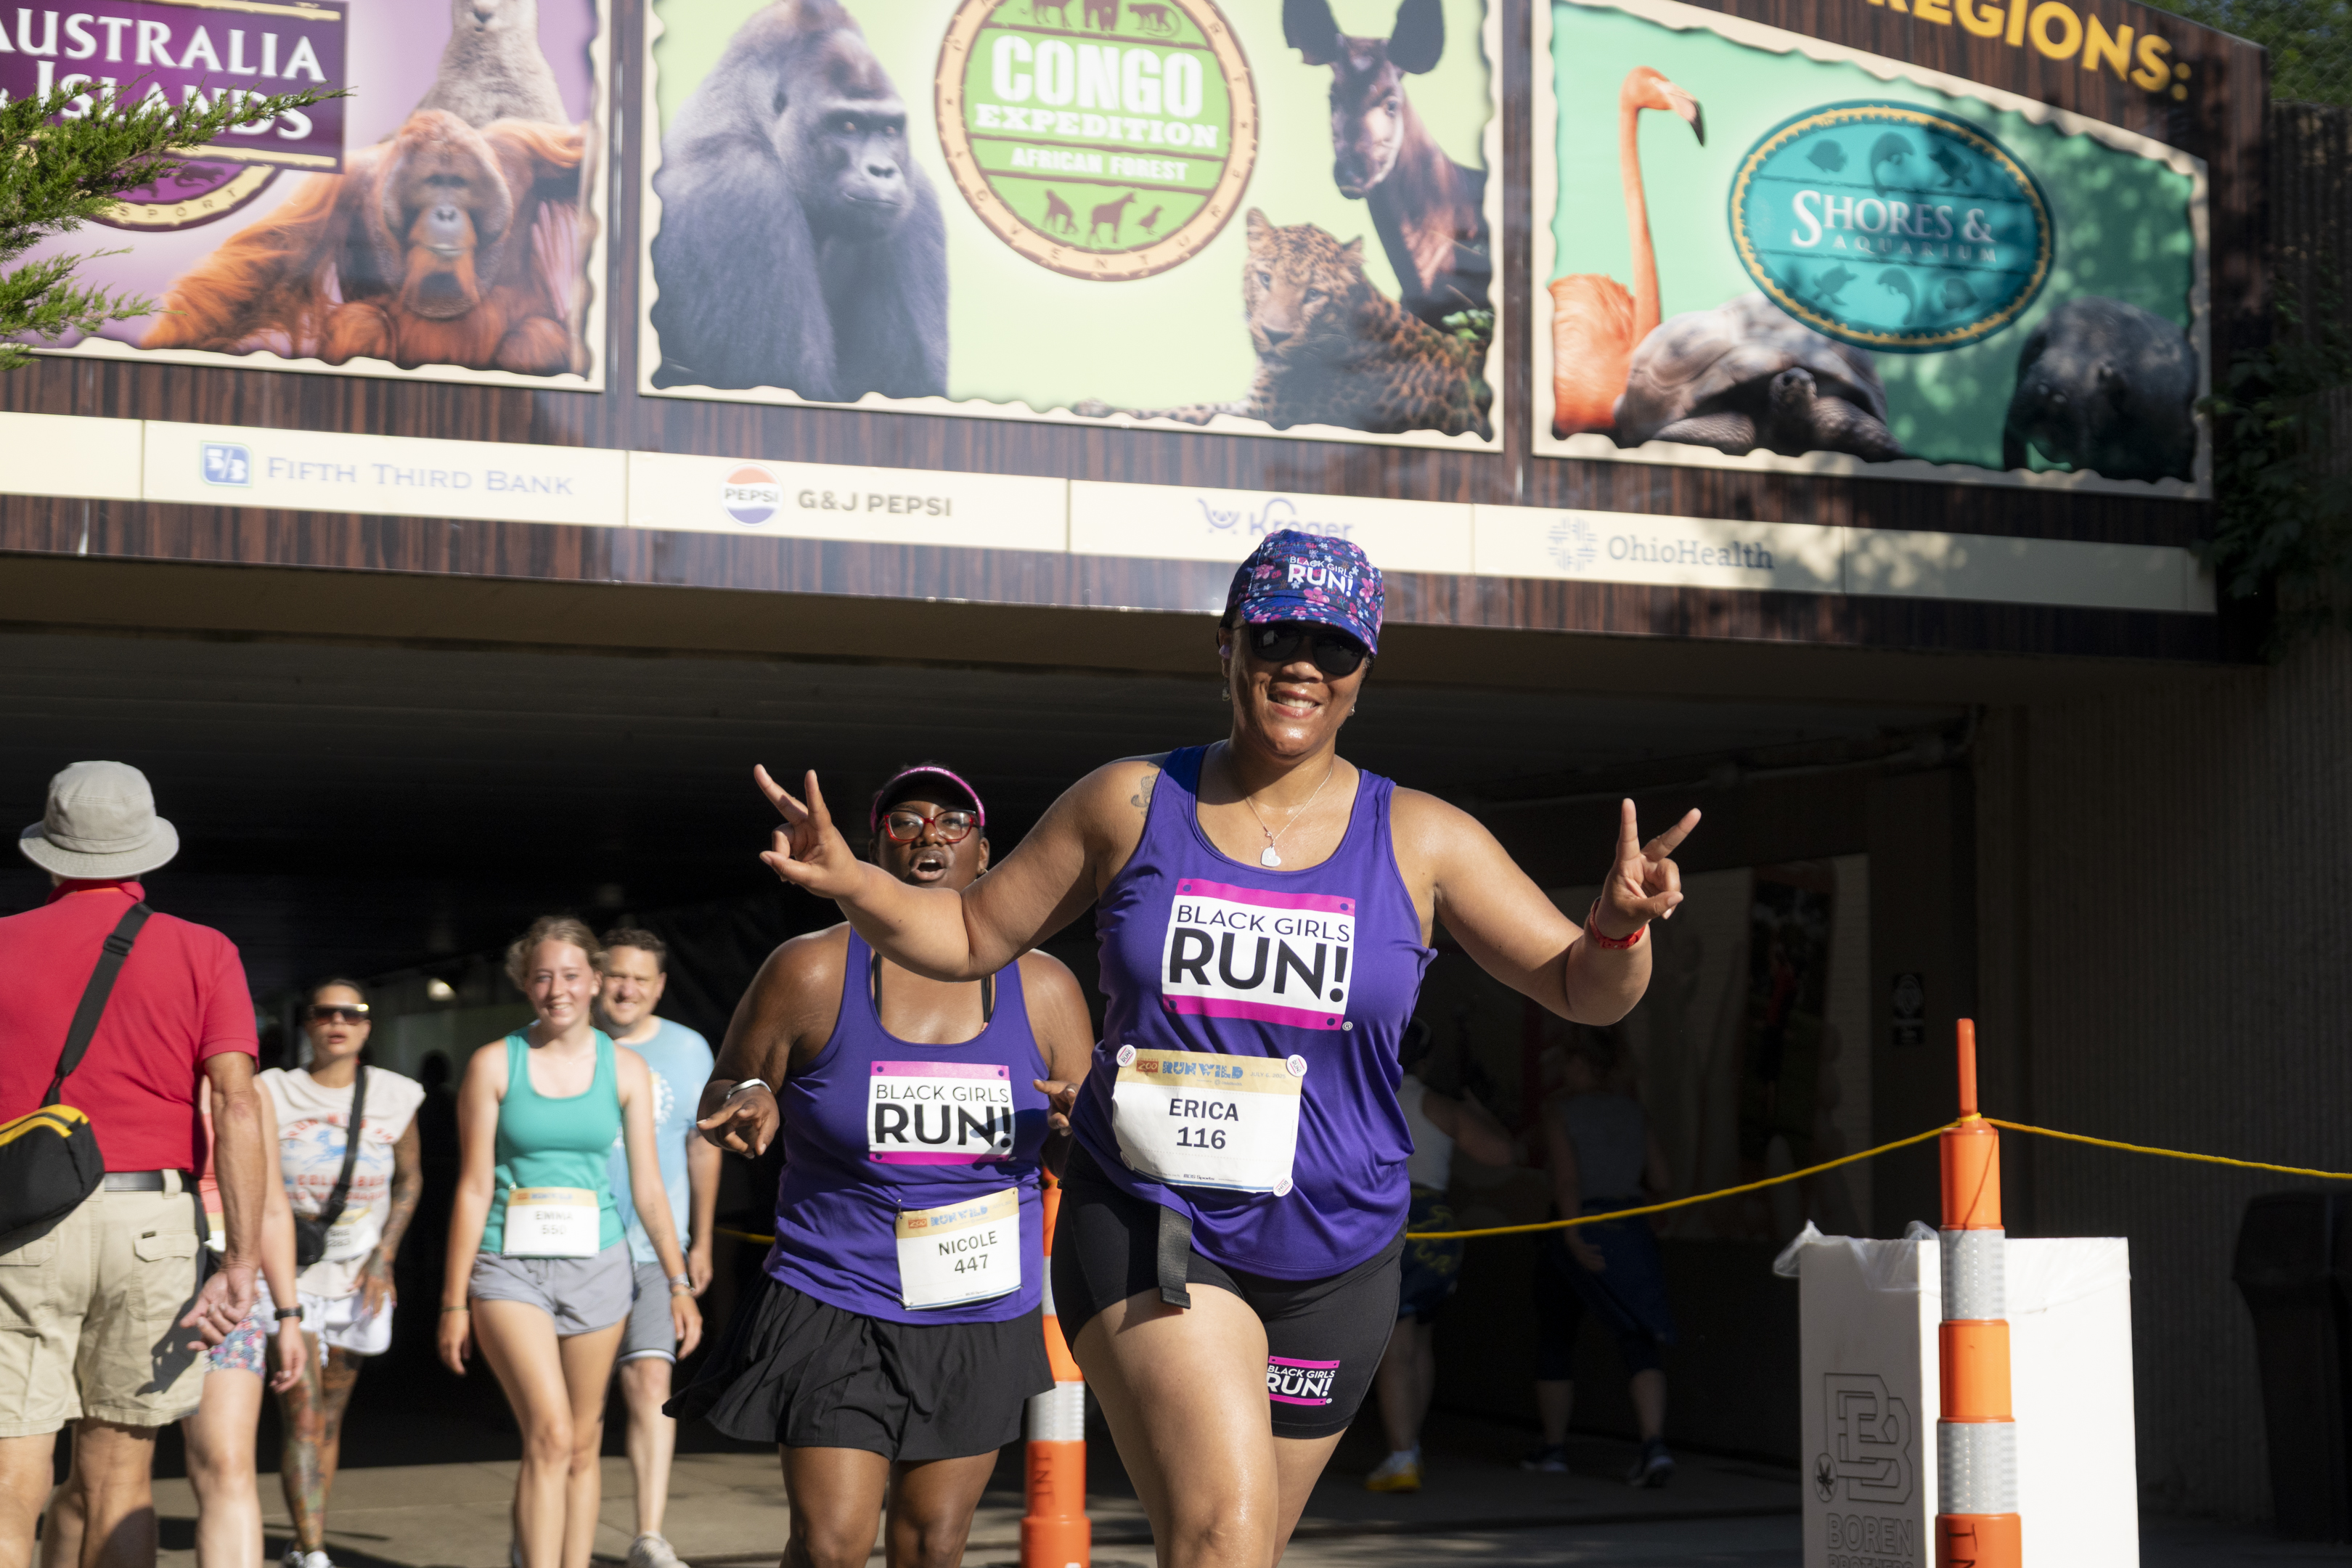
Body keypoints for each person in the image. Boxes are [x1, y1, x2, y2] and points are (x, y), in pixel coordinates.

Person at [748, 532, 1699, 1568]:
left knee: (1230, 1548)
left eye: (1332, 646)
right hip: (1159, 1224)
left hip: (1339, 1257)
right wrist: (860, 885)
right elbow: (971, 935)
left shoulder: (1423, 838)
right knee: (1222, 1539)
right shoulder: (1130, 802)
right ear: (1229, 646)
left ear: (1361, 675)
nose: (1302, 662)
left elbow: (1583, 990)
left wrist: (1615, 927)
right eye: (1276, 632)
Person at [685, 765, 1096, 1568]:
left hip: (976, 1304)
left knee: (932, 1544)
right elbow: (730, 1081)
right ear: (874, 849)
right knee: (831, 1543)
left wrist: (1076, 1129)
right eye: (905, 822)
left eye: (953, 823)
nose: (929, 837)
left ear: (987, 853)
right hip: (833, 1291)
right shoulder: (808, 971)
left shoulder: (1044, 987)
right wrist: (751, 1099)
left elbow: (1074, 1148)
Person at [0, 761, 267, 1568]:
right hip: (151, 1222)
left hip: (19, 1224)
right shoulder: (204, 951)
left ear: (51, 853)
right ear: (146, 856)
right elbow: (238, 1105)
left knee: (11, 1480)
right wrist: (243, 1260)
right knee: (120, 1483)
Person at [441, 918, 702, 1568]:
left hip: (602, 1267)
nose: (556, 989)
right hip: (510, 1270)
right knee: (550, 1434)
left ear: (594, 981)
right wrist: (452, 1302)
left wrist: (677, 1282)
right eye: (542, 976)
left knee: (584, 1443)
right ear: (526, 986)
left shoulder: (627, 1070)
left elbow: (648, 1189)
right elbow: (473, 1188)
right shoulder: (495, 1064)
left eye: (570, 975)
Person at [42, 1084, 309, 1568]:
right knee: (96, 1482)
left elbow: (270, 1206)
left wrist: (289, 1315)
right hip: (130, 1279)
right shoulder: (131, 1071)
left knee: (228, 1467)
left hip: (225, 1292)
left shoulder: (250, 1093)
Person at [260, 981, 427, 1568]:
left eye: (351, 1013)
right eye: (324, 1012)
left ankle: (308, 1539)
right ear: (306, 1023)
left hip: (359, 1275)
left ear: (367, 1026)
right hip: (289, 1276)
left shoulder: (396, 1095)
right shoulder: (271, 1091)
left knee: (329, 1419)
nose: (338, 1021)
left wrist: (385, 1254)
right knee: (302, 1416)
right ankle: (312, 1553)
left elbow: (409, 1178)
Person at [592, 930, 719, 1568]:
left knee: (651, 1381)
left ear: (660, 987)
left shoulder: (687, 1049)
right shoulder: (552, 1038)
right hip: (573, 1250)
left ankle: (649, 1534)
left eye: (641, 980)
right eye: (616, 976)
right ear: (596, 977)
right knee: (576, 1404)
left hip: (653, 1249)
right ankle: (551, 1521)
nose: (626, 990)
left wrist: (697, 1239)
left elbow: (703, 1145)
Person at [1363, 1021, 1513, 1494]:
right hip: (1439, 1225)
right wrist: (1476, 1110)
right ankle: (1411, 1447)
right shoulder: (1439, 1105)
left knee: (1395, 1345)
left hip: (1387, 1220)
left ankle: (1402, 1454)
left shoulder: (1363, 1100)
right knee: (1420, 1340)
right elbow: (1503, 1153)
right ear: (1424, 1061)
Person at [1525, 1032, 1678, 1487]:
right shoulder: (1635, 1112)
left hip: (1578, 1228)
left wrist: (1572, 1235)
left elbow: (1567, 1180)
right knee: (1638, 1337)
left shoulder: (1561, 1113)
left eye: (1571, 1061)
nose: (1564, 1071)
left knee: (1556, 1334)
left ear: (1588, 1066)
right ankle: (1654, 1444)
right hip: (1630, 1226)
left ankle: (1553, 1449)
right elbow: (1664, 1178)